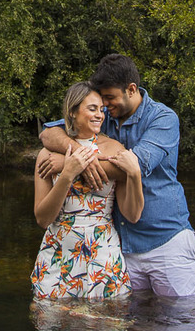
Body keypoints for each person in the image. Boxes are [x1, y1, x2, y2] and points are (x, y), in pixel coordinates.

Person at [39, 54, 195, 298]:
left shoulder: (163, 118)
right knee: (130, 316)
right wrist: (75, 152)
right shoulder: (103, 117)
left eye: (109, 97)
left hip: (166, 241)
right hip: (122, 247)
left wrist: (68, 164)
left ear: (131, 89)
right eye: (101, 100)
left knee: (181, 314)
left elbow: (134, 165)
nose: (104, 105)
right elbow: (49, 133)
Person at [31, 81, 144, 301]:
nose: (100, 115)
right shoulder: (48, 154)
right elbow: (42, 219)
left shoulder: (114, 149)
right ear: (72, 112)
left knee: (106, 316)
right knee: (53, 316)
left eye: (101, 110)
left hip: (103, 252)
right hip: (59, 252)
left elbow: (132, 215)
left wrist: (135, 174)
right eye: (92, 109)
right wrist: (67, 174)